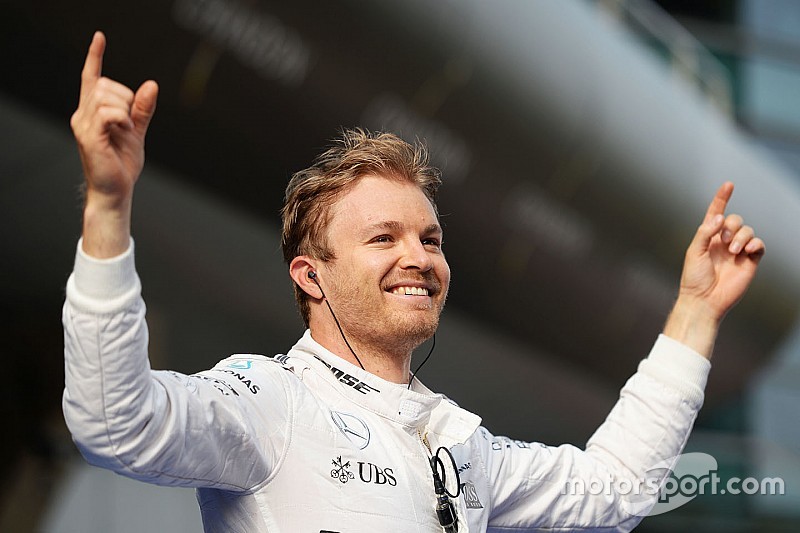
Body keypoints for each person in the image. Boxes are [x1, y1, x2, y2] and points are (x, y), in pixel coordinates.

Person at [63, 31, 765, 532]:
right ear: (311, 276)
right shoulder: (268, 399)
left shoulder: (462, 440)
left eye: (430, 238)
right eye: (382, 238)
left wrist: (696, 310)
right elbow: (116, 421)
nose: (420, 257)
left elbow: (615, 490)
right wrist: (108, 207)